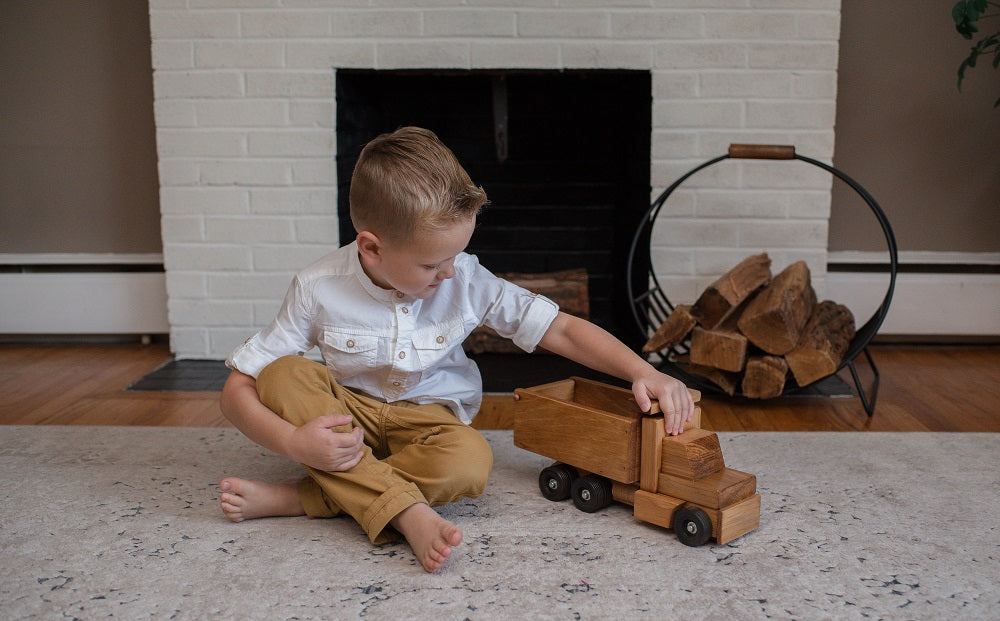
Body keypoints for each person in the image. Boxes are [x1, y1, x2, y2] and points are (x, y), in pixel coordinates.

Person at [218, 126, 695, 573]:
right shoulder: (317, 287)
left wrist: (642, 370)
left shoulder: (464, 277)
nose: (450, 272)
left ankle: (304, 497)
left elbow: (561, 329)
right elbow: (235, 391)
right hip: (349, 416)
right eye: (433, 263)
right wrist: (293, 443)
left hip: (428, 422)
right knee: (281, 373)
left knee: (469, 463)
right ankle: (408, 513)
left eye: (456, 255)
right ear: (371, 248)